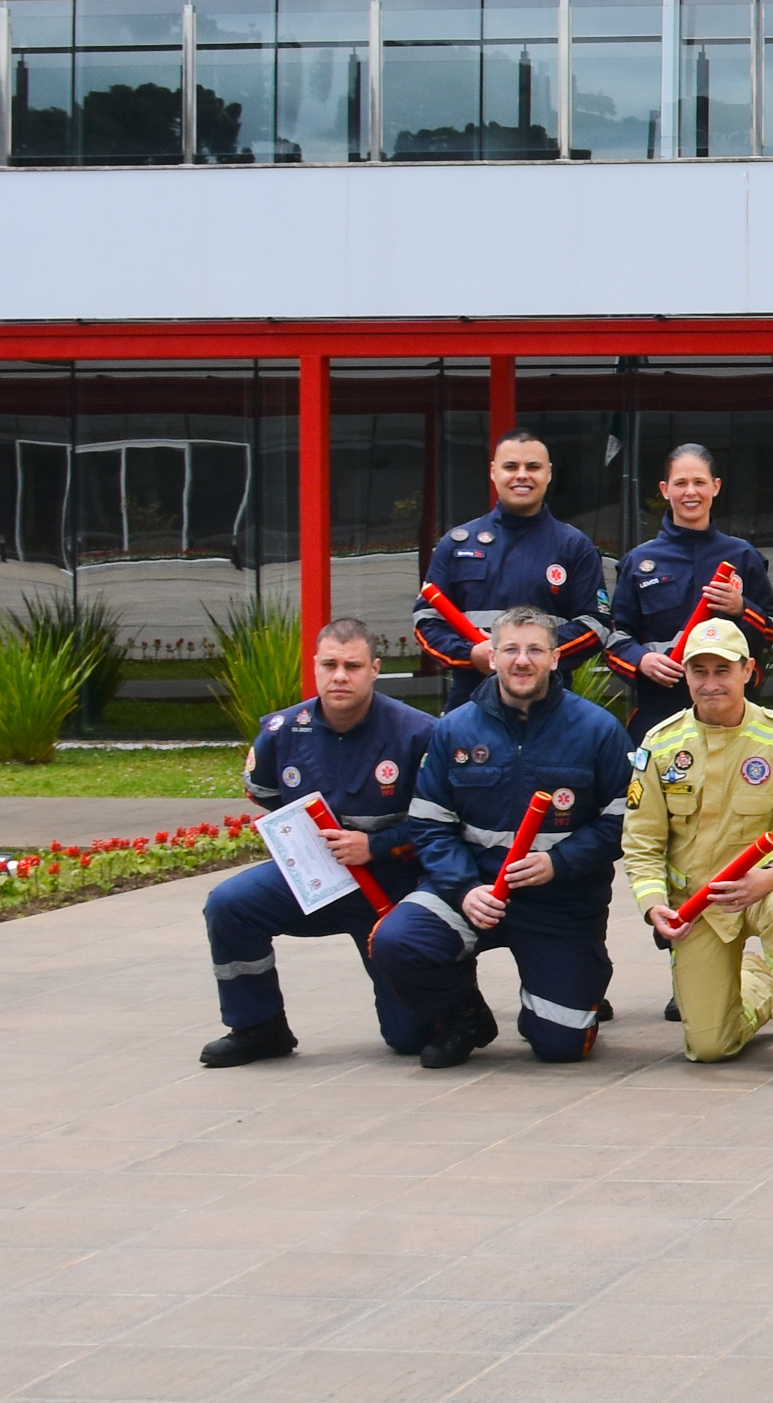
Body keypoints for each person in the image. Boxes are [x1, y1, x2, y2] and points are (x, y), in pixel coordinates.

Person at [375, 607, 633, 1067]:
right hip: (473, 889)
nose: (522, 660)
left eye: (535, 649)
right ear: (491, 657)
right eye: (510, 649)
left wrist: (561, 862)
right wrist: (463, 887)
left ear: (556, 658)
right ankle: (465, 1015)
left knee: (561, 1047)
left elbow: (624, 820)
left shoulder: (598, 730)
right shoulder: (455, 728)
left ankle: (550, 1004)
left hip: (560, 901)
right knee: (398, 941)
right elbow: (431, 823)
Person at [200, 617, 434, 1066]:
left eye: (353, 665)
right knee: (229, 904)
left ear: (375, 668)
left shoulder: (419, 733)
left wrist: (376, 846)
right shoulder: (281, 732)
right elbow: (264, 792)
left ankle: (446, 1002)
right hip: (317, 877)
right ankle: (258, 1026)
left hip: (391, 885)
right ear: (315, 667)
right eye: (329, 664)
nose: (340, 676)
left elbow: (440, 822)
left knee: (411, 1038)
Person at [619, 618, 773, 1072]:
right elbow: (641, 841)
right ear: (686, 674)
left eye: (722, 670)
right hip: (697, 903)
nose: (710, 683)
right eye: (699, 671)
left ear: (749, 671)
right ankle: (760, 983)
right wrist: (656, 906)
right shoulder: (659, 744)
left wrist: (770, 877)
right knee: (709, 1047)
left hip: (766, 888)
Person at [413, 429, 608, 708]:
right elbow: (426, 621)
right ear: (493, 472)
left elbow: (595, 626)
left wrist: (532, 656)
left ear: (549, 473)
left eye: (533, 467)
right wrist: (470, 654)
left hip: (551, 707)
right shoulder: (456, 545)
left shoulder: (575, 547)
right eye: (510, 466)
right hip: (470, 703)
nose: (521, 475)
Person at [603, 442, 773, 741]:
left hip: (733, 715)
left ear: (716, 487)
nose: (690, 492)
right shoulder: (639, 561)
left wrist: (741, 609)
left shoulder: (742, 556)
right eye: (680, 483)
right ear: (664, 489)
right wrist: (641, 660)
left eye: (699, 482)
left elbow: (772, 632)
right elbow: (616, 637)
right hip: (660, 710)